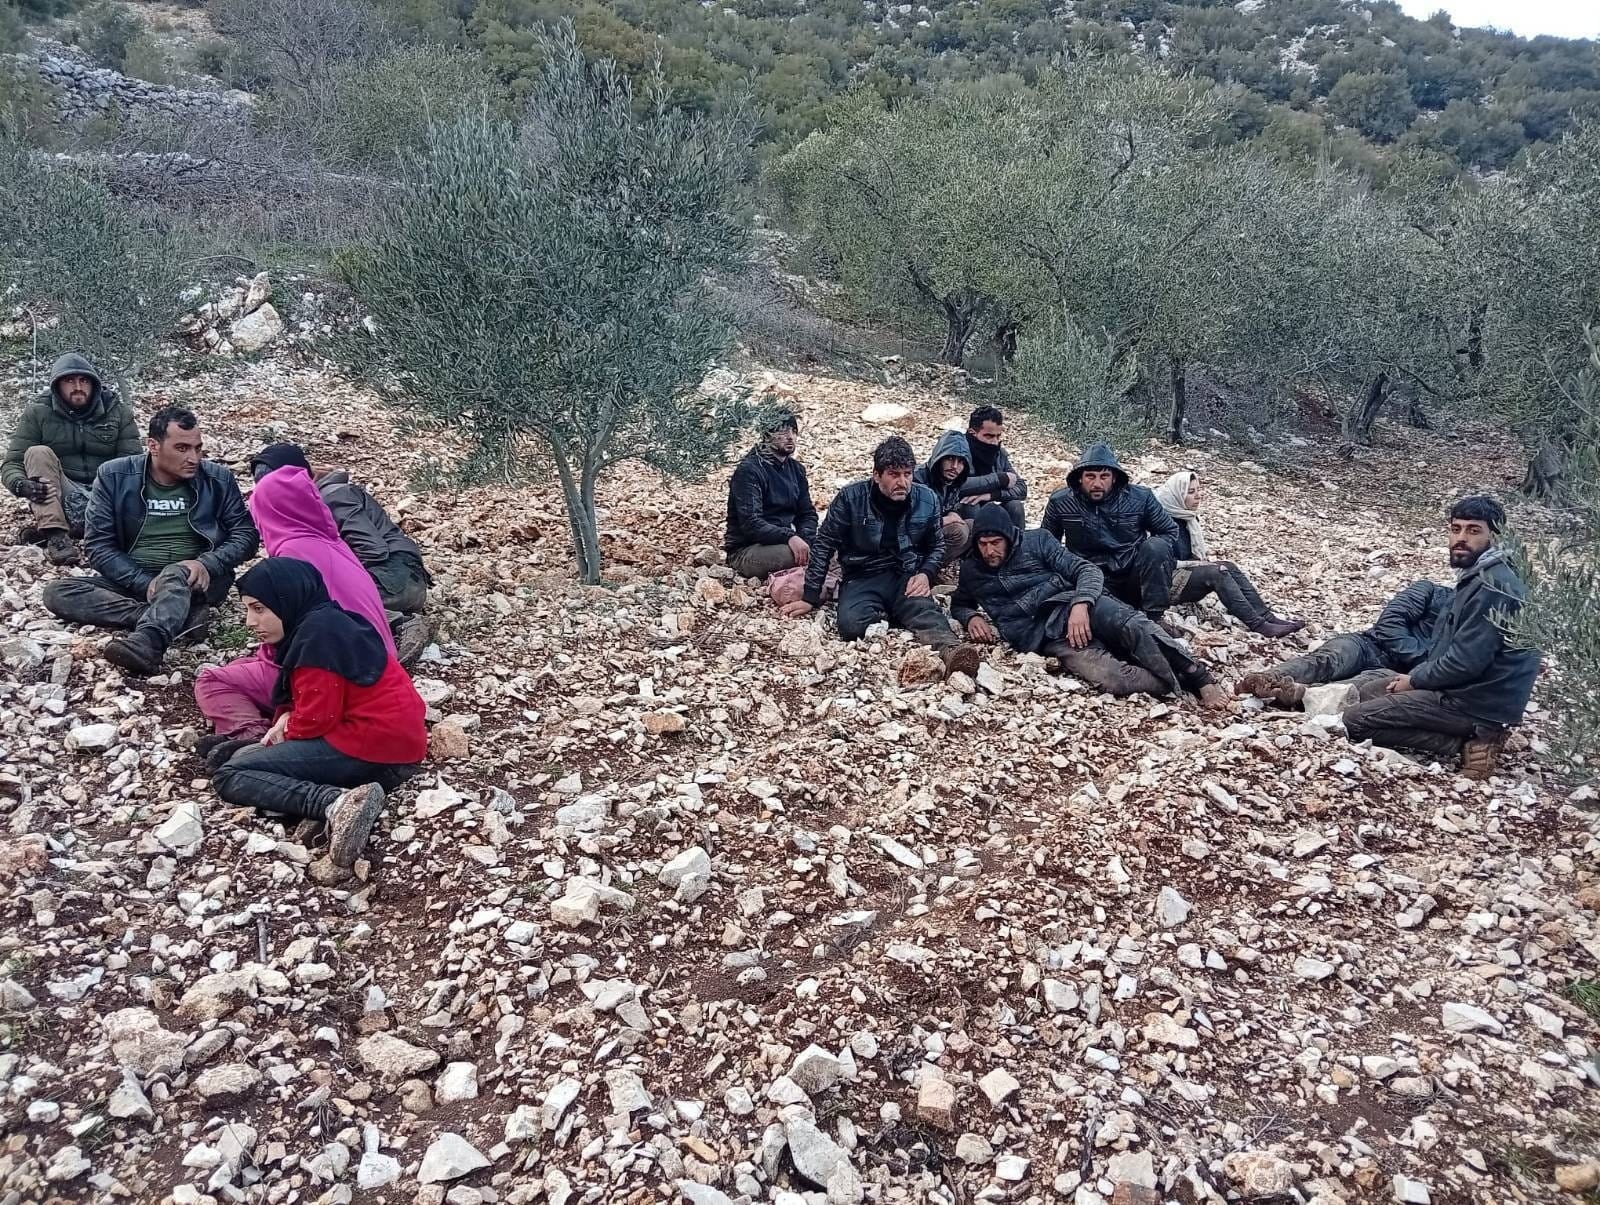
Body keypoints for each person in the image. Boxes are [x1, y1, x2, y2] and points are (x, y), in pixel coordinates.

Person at [210, 559, 426, 871]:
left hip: (376, 750)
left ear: (286, 599)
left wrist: (285, 730)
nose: (250, 621)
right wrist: (284, 722)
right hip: (396, 742)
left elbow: (315, 720)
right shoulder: (328, 622)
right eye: (248, 610)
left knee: (231, 774)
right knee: (243, 758)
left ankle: (334, 804)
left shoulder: (316, 638)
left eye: (259, 609)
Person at [194, 465, 399, 766]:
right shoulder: (330, 539)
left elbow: (293, 624)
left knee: (212, 680)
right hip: (377, 659)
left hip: (332, 665)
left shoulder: (292, 549)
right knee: (243, 665)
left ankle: (252, 736)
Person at [43, 407, 258, 675]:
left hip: (197, 580)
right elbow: (98, 546)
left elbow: (247, 535)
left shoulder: (217, 477)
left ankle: (149, 643)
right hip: (135, 578)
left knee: (176, 573)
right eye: (181, 448)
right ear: (153, 446)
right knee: (57, 593)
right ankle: (170, 616)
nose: (193, 458)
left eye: (197, 448)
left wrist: (207, 563)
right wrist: (144, 583)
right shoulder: (114, 476)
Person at [1340, 496, 1540, 780]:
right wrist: (1418, 678)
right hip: (1462, 688)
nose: (1461, 538)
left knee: (1355, 721)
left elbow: (1466, 663)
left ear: (1495, 536)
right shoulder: (1482, 574)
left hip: (1476, 701)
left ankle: (1472, 742)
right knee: (1371, 690)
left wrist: (1416, 680)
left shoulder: (1492, 585)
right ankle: (1468, 732)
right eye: (1456, 528)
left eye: (1473, 530)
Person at [952, 504, 1227, 704]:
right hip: (1046, 637)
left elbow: (1087, 571)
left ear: (1009, 537)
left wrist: (1081, 604)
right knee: (1112, 678)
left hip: (1075, 605)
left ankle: (1198, 675)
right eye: (983, 544)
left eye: (995, 542)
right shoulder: (972, 570)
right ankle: (1177, 685)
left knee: (1131, 625)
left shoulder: (1038, 542)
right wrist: (970, 617)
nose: (989, 551)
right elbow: (960, 603)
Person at [782, 435, 979, 678]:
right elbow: (824, 544)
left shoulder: (927, 499)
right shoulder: (851, 498)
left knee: (927, 613)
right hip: (861, 575)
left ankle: (952, 651)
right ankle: (892, 615)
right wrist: (810, 597)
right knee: (850, 626)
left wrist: (926, 574)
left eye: (907, 474)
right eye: (894, 474)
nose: (902, 482)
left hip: (904, 572)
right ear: (877, 475)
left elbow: (937, 544)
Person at [249, 444, 432, 660]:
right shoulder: (309, 505)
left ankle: (400, 624)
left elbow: (372, 550)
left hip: (398, 579)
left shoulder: (332, 497)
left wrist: (339, 574)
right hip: (396, 579)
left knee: (320, 599)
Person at [3, 353, 139, 566]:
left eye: (84, 380)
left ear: (94, 384)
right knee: (37, 452)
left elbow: (132, 461)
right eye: (69, 381)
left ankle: (105, 531)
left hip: (106, 493)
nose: (77, 386)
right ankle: (56, 535)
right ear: (57, 386)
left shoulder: (118, 411)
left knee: (132, 468)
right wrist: (21, 485)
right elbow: (13, 462)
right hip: (62, 493)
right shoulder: (38, 412)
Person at [1236, 579, 1451, 708]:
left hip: (1397, 671)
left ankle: (1301, 694)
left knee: (1355, 688)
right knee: (1327, 660)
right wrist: (1420, 659)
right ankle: (1267, 679)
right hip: (1370, 643)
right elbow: (1389, 623)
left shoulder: (1477, 625)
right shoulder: (1430, 590)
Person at [1152, 470, 1305, 638]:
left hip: (1185, 571)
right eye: (1190, 492)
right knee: (1217, 573)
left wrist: (1199, 563)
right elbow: (1160, 563)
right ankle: (1259, 625)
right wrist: (1198, 565)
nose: (1198, 496)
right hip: (1165, 582)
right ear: (1177, 495)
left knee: (1229, 566)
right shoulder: (1160, 521)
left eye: (1198, 490)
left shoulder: (1187, 517)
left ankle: (1267, 616)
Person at [1042, 442, 1179, 622]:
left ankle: (1155, 617)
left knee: (1156, 546)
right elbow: (1046, 544)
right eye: (1090, 476)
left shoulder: (1141, 497)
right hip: (1087, 578)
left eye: (1104, 476)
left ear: (1114, 478)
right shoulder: (1060, 501)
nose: (1097, 483)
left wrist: (1152, 564)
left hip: (1132, 574)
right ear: (1079, 478)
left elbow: (1169, 531)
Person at [722, 411, 818, 581]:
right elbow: (751, 524)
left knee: (832, 546)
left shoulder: (796, 470)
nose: (790, 437)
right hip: (747, 549)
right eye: (782, 431)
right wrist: (790, 537)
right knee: (797, 556)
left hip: (785, 538)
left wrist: (806, 537)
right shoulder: (750, 470)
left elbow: (807, 513)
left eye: (793, 431)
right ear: (766, 435)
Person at [957, 405, 1027, 529]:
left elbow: (1021, 488)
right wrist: (1000, 479)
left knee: (1015, 506)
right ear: (972, 433)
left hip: (990, 503)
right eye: (989, 436)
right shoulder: (958, 453)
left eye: (998, 436)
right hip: (959, 511)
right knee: (970, 505)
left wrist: (992, 495)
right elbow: (956, 485)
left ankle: (1016, 547)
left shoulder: (999, 454)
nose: (995, 442)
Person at [913, 429, 974, 567]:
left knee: (975, 526)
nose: (955, 467)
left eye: (961, 462)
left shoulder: (953, 482)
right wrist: (947, 520)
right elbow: (911, 524)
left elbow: (951, 506)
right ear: (939, 457)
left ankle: (942, 566)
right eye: (950, 459)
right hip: (913, 539)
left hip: (932, 533)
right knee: (958, 531)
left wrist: (953, 513)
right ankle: (925, 568)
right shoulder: (917, 479)